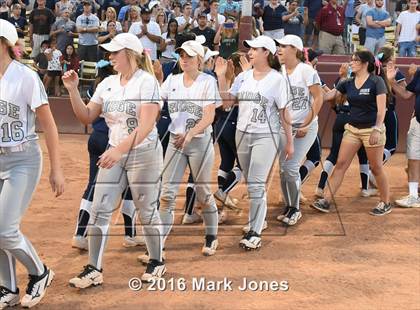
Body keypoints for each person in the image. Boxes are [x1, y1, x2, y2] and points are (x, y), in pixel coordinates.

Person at [63, 33, 165, 286]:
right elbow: (87, 116)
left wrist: (119, 150)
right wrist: (73, 90)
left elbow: (146, 125)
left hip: (143, 153)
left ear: (130, 54)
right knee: (99, 209)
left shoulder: (147, 82)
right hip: (114, 152)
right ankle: (94, 268)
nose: (109, 57)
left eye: (114, 52)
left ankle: (157, 260)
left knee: (146, 209)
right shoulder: (107, 82)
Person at [0, 19, 64, 308]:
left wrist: (56, 169)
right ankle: (7, 288)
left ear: (4, 43)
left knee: (3, 229)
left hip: (22, 159)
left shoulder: (25, 77)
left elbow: (49, 125)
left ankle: (40, 272)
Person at [216, 35, 293, 250]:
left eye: (255, 49)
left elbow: (284, 111)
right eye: (249, 49)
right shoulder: (244, 77)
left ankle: (255, 232)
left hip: (265, 136)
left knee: (257, 184)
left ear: (266, 53)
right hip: (242, 134)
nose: (249, 52)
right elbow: (227, 103)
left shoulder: (277, 79)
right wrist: (222, 77)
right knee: (252, 184)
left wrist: (289, 141)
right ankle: (257, 220)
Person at [71, 58, 146, 252]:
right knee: (126, 189)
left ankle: (80, 233)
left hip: (96, 137)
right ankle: (129, 234)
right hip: (113, 141)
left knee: (92, 185)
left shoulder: (98, 87)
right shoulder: (119, 86)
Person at [158, 39, 220, 257]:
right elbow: (155, 101)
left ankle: (211, 236)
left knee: (202, 192)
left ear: (199, 60)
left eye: (189, 56)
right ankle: (158, 245)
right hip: (176, 142)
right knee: (166, 194)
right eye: (181, 55)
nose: (184, 59)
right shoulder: (172, 80)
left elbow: (210, 116)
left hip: (199, 142)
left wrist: (191, 133)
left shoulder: (207, 82)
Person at [311, 50, 392, 216]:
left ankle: (385, 202)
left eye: (355, 60)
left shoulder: (376, 82)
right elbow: (328, 97)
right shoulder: (347, 82)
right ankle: (326, 199)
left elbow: (382, 109)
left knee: (376, 168)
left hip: (372, 129)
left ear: (365, 64)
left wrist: (377, 128)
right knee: (341, 164)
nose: (351, 63)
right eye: (352, 60)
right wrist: (312, 88)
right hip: (353, 129)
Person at [275, 35, 323, 226]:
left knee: (291, 167)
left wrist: (306, 123)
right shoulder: (279, 71)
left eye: (283, 46)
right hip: (285, 126)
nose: (279, 49)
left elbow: (318, 98)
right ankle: (288, 206)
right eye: (278, 46)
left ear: (294, 49)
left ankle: (295, 208)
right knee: (282, 170)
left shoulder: (306, 70)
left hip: (304, 126)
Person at [315, 63, 372, 199]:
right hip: (355, 120)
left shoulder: (339, 82)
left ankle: (320, 186)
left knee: (333, 155)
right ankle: (365, 188)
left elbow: (331, 99)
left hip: (340, 118)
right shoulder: (361, 81)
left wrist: (338, 111)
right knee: (363, 156)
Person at [387, 64, 420, 208]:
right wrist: (391, 81)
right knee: (413, 159)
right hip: (418, 122)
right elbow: (407, 94)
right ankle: (413, 196)